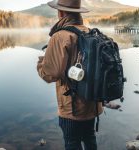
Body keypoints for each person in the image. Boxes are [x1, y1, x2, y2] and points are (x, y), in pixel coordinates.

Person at [37, 0, 103, 149]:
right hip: (93, 102)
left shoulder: (60, 36)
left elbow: (50, 74)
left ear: (61, 12)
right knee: (89, 137)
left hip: (71, 107)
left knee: (72, 141)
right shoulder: (89, 31)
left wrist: (41, 63)